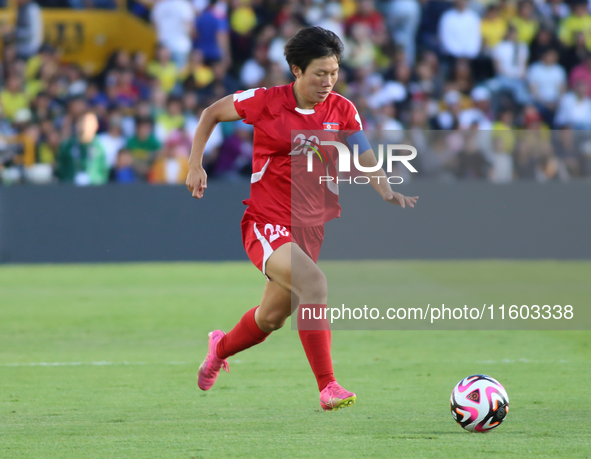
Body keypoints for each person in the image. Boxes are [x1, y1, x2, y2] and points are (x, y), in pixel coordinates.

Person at [185, 27, 418, 411]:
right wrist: (195, 165)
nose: (328, 82)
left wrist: (385, 190)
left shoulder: (342, 109)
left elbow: (363, 154)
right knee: (316, 285)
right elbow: (211, 113)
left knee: (271, 319)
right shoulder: (265, 101)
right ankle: (328, 387)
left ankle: (219, 348)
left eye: (334, 72)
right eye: (319, 74)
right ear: (296, 70)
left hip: (310, 228)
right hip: (266, 221)